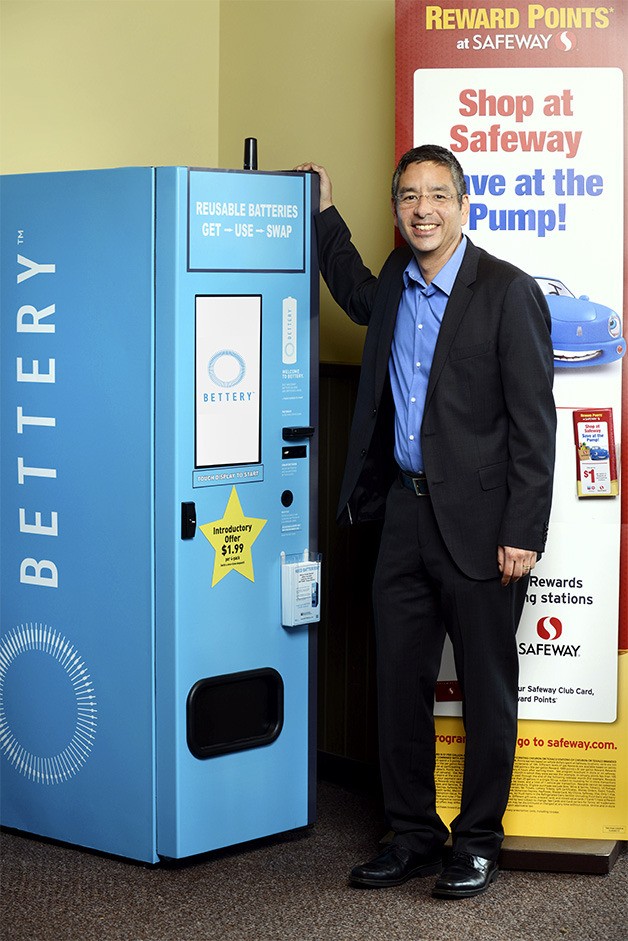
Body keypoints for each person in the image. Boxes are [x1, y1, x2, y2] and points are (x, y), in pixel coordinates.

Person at [296, 146, 556, 899]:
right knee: (398, 683)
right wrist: (323, 214)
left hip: (483, 529)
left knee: (486, 688)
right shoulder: (395, 286)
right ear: (396, 207)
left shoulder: (507, 292)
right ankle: (411, 833)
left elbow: (535, 428)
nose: (423, 209)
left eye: (437, 195)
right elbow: (350, 292)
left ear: (463, 204)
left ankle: (476, 843)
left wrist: (523, 531)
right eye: (409, 196)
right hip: (402, 517)